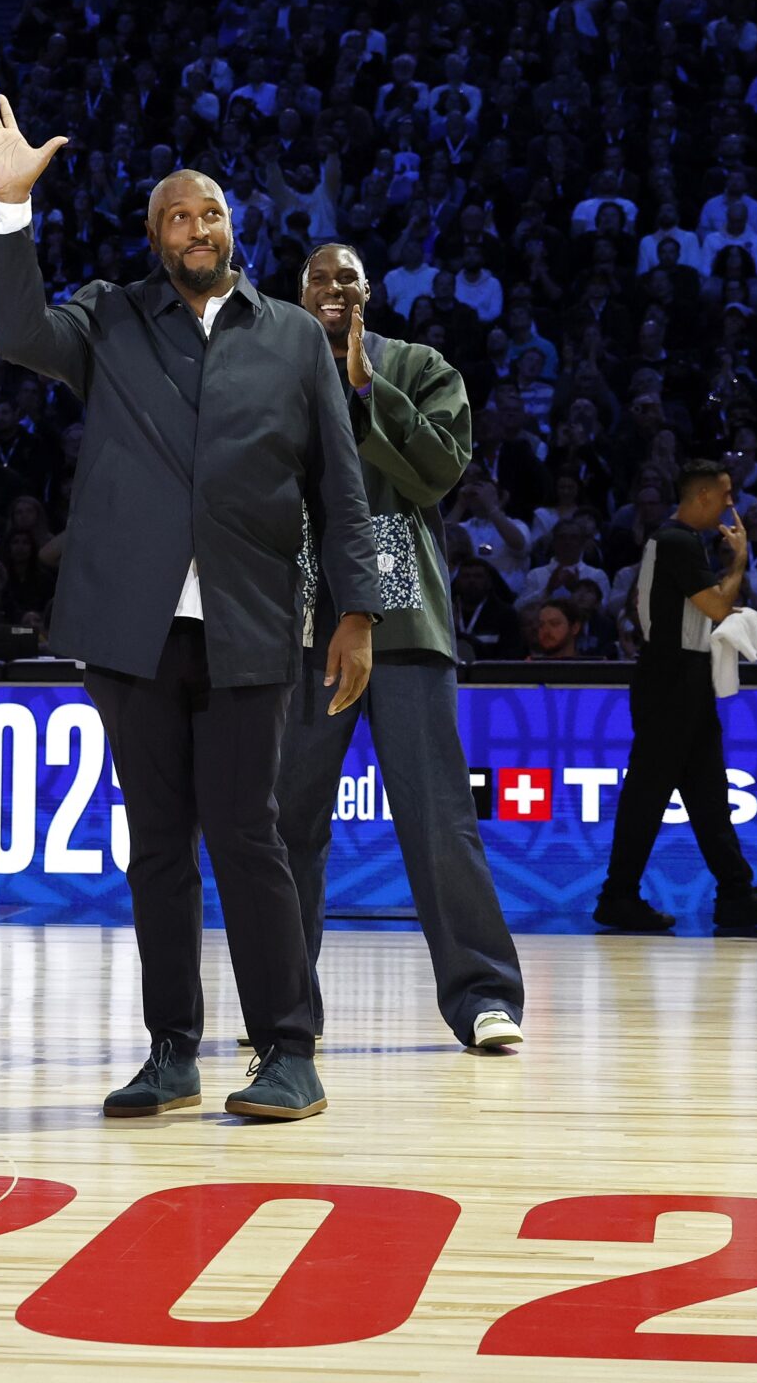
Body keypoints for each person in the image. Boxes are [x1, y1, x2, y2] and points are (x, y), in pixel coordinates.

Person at [0, 90, 379, 1122]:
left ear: (234, 230)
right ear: (154, 238)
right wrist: (10, 209)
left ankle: (289, 1048)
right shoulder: (107, 317)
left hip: (248, 620)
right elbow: (15, 330)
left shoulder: (288, 337)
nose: (199, 228)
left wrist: (359, 612)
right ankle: (170, 1049)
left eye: (213, 214)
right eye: (178, 217)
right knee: (156, 844)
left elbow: (341, 484)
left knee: (249, 839)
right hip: (130, 627)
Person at [274, 243, 525, 1053]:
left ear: (369, 292)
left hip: (406, 621)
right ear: (299, 292)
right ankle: (280, 1005)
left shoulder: (419, 366)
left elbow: (436, 473)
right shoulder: (270, 365)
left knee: (438, 819)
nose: (333, 288)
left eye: (347, 276)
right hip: (304, 626)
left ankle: (485, 997)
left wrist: (360, 382)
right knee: (288, 825)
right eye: (319, 277)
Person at [594, 460, 757, 931]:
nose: (731, 504)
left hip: (676, 677)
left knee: (707, 794)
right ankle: (618, 895)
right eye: (725, 495)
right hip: (673, 680)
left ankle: (735, 893)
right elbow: (717, 606)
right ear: (702, 496)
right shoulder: (680, 541)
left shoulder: (667, 540)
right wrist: (740, 559)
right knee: (649, 795)